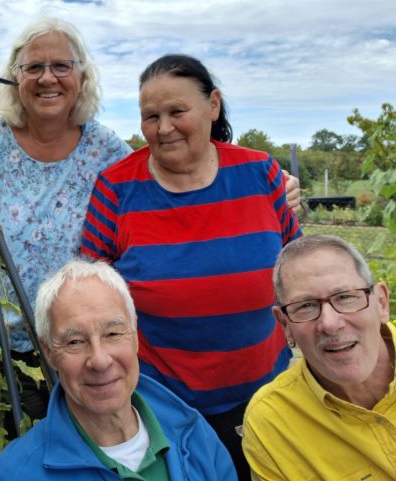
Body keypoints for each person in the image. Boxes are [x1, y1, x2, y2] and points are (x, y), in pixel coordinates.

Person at [0, 19, 304, 422]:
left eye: (61, 66)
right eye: (33, 67)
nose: (47, 77)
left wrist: (268, 191)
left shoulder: (108, 153)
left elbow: (165, 204)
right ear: (15, 78)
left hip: (85, 353)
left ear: (81, 78)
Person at [81, 54, 302, 479]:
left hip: (267, 395)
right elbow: (94, 292)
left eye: (177, 111)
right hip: (163, 405)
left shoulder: (259, 172)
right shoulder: (116, 187)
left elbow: (296, 266)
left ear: (212, 106)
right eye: (151, 117)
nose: (163, 128)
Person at [0, 259, 236, 480]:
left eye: (112, 334)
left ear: (135, 336)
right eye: (75, 341)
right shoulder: (18, 472)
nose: (99, 360)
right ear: (49, 352)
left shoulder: (194, 433)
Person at [241, 235, 396, 480]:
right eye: (306, 306)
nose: (330, 324)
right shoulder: (273, 422)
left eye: (345, 297)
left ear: (382, 303)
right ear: (285, 325)